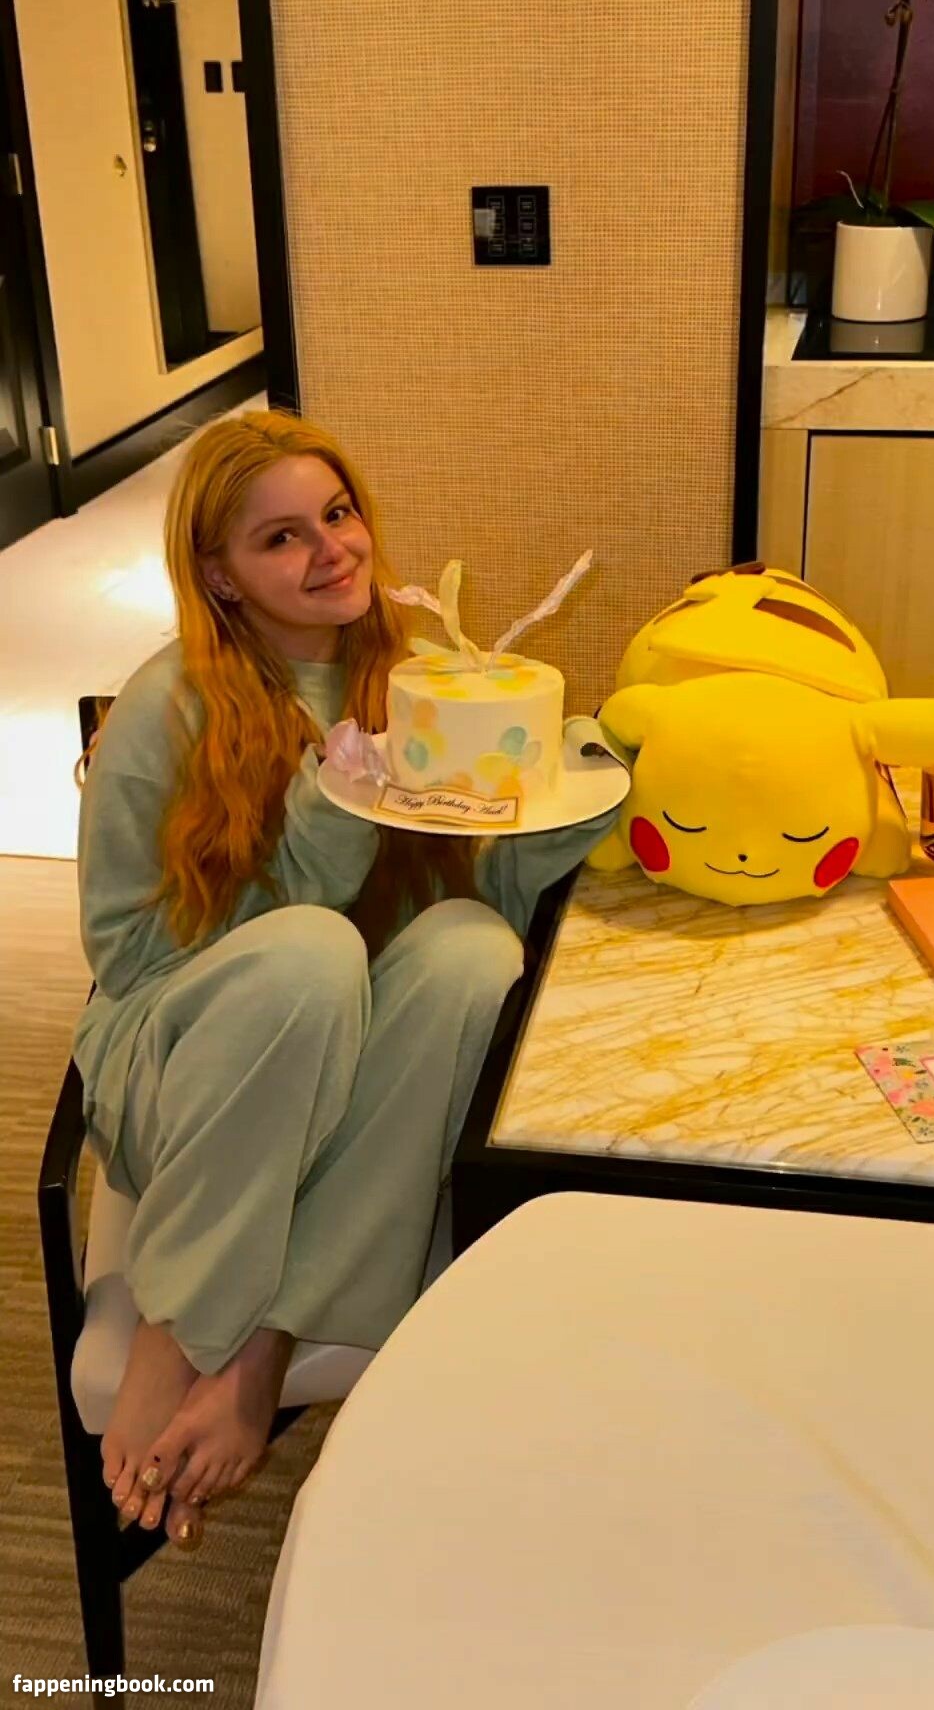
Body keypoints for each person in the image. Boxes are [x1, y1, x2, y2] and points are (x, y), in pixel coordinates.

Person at [74, 408, 617, 1551]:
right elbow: (127, 954)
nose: (331, 550)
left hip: (348, 1028)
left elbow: (476, 887)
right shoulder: (166, 706)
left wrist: (566, 805)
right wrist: (324, 829)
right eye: (281, 538)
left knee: (472, 949)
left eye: (337, 514)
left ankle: (262, 1351)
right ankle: (179, 1325)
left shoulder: (417, 685)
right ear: (220, 574)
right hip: (188, 1060)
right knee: (309, 958)